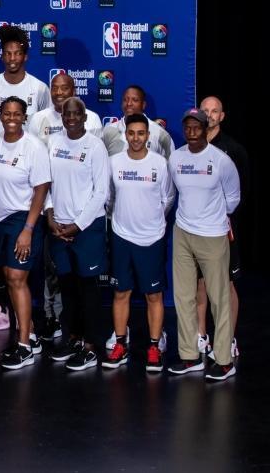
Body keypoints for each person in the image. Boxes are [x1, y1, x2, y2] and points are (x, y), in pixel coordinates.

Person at [167, 108, 240, 381]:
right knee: (183, 296)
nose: (192, 132)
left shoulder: (221, 161)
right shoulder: (176, 157)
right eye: (188, 128)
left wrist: (214, 218)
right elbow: (173, 192)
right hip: (183, 233)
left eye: (197, 127)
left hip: (213, 235)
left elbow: (232, 199)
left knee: (219, 299)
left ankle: (224, 361)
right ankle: (190, 356)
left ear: (206, 129)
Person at [0, 96, 51, 370]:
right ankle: (30, 332)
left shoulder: (34, 147)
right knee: (10, 279)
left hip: (23, 217)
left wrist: (28, 229)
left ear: (25, 117)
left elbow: (42, 188)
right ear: (0, 115)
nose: (11, 118)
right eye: (6, 113)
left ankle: (23, 347)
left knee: (16, 278)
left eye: (16, 114)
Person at [103, 113, 174, 373]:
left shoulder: (160, 164)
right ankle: (120, 344)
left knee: (153, 295)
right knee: (121, 293)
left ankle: (154, 347)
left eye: (140, 133)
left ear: (148, 136)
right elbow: (108, 198)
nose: (135, 138)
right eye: (131, 133)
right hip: (121, 236)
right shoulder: (114, 162)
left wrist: (152, 221)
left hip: (152, 238)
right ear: (125, 135)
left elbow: (168, 198)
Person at [44, 98, 110, 372]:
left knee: (88, 289)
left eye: (76, 113)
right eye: (66, 113)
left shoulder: (95, 146)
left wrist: (78, 225)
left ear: (84, 117)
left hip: (86, 228)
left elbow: (101, 192)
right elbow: (46, 183)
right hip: (58, 227)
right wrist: (50, 214)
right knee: (67, 287)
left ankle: (91, 346)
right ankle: (73, 338)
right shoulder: (53, 143)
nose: (70, 117)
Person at [195, 95, 249, 359]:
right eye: (205, 110)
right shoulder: (191, 147)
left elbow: (240, 192)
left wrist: (223, 218)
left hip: (223, 228)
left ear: (222, 116)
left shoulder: (233, 150)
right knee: (200, 283)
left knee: (225, 284)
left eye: (214, 111)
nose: (209, 114)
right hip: (196, 228)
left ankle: (227, 340)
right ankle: (200, 336)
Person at [0, 24, 50, 140]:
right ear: (2, 56)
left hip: (29, 150)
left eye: (17, 53)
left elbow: (47, 126)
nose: (12, 58)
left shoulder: (40, 88)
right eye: (7, 53)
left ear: (25, 57)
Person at [101, 85, 174, 158]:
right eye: (125, 100)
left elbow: (170, 162)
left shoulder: (159, 133)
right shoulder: (108, 131)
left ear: (143, 105)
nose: (129, 103)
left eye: (135, 100)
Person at [28, 72, 103, 141]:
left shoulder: (92, 119)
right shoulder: (38, 118)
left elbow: (97, 148)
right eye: (54, 88)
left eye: (64, 88)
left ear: (73, 92)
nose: (59, 92)